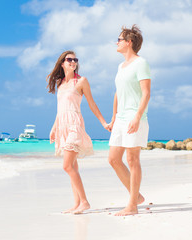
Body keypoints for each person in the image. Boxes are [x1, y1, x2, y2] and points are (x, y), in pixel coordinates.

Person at [48, 50, 109, 214]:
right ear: (62, 63)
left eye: (75, 60)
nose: (73, 62)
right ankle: (77, 203)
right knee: (73, 167)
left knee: (67, 166)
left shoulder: (81, 81)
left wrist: (103, 122)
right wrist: (54, 128)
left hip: (74, 125)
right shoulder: (60, 83)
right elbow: (60, 109)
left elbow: (92, 103)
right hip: (62, 127)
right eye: (69, 59)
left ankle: (84, 202)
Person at [108, 25, 151, 216]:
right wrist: (114, 117)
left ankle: (132, 205)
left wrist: (137, 117)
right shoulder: (121, 66)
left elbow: (146, 93)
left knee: (132, 159)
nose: (116, 42)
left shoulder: (141, 63)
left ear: (129, 42)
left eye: (119, 39)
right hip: (121, 119)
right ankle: (137, 197)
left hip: (135, 118)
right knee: (113, 159)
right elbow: (118, 93)